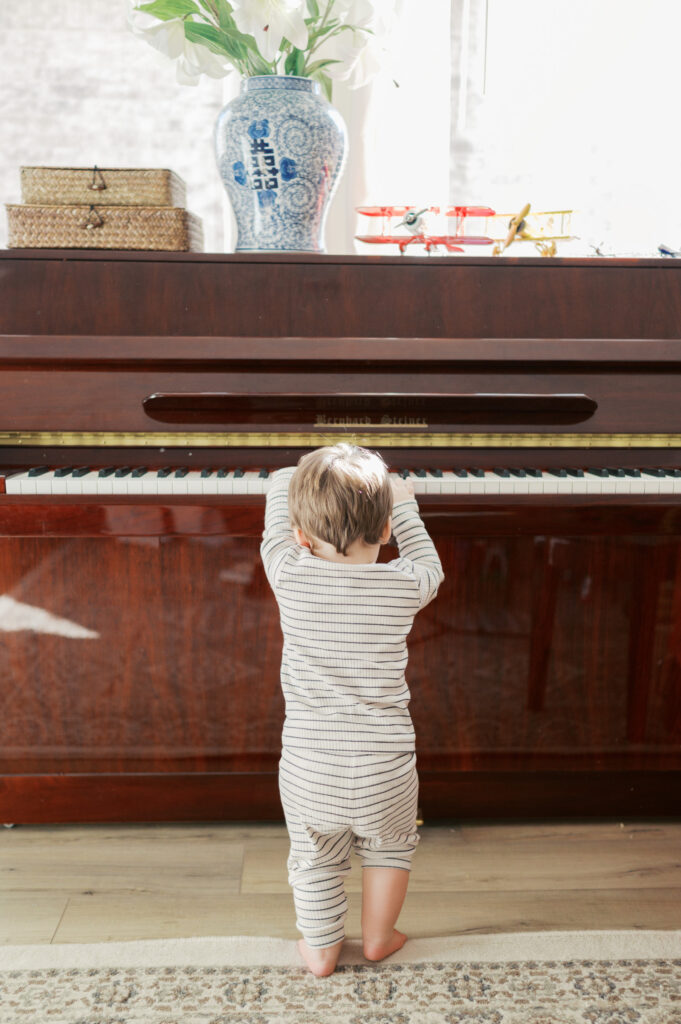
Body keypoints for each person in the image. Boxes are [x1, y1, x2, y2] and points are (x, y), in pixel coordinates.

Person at [260, 443, 444, 977]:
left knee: (314, 856)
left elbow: (275, 528)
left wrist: (284, 479)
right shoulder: (404, 583)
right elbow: (428, 562)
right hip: (386, 762)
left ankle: (319, 950)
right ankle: (379, 939)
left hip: (309, 765)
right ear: (385, 532)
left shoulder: (288, 575)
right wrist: (404, 503)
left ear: (300, 536)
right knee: (390, 848)